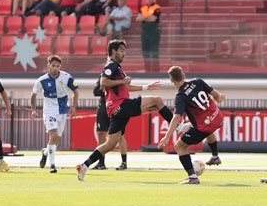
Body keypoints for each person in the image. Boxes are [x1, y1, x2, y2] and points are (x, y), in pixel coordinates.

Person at [75, 39, 175, 181]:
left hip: (115, 108)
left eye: (124, 50)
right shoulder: (111, 65)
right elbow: (104, 82)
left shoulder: (118, 68)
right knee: (157, 101)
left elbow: (126, 87)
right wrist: (123, 81)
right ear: (114, 51)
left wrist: (146, 87)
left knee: (110, 144)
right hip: (119, 104)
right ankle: (178, 125)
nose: (124, 53)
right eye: (121, 50)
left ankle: (84, 166)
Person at [158, 66, 225, 184]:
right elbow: (218, 96)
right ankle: (215, 156)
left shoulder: (181, 96)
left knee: (179, 146)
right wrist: (218, 100)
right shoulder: (198, 81)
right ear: (183, 75)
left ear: (171, 80)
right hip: (218, 117)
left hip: (205, 125)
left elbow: (176, 117)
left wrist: (167, 136)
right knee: (207, 128)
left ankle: (192, 177)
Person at [31, 55, 79, 173]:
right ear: (48, 65)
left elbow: (76, 92)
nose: (55, 68)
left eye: (57, 66)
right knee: (53, 136)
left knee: (56, 139)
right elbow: (33, 95)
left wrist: (73, 107)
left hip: (62, 109)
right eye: (53, 65)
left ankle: (45, 152)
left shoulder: (67, 77)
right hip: (49, 110)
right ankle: (52, 165)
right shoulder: (41, 80)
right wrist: (33, 109)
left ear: (60, 66)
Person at [92, 76, 129, 170]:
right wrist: (107, 89)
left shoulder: (120, 76)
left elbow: (125, 89)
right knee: (101, 134)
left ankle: (124, 162)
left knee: (120, 135)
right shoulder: (102, 77)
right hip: (103, 108)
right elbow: (95, 91)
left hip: (116, 107)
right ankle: (101, 162)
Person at [136, 0, 161, 72]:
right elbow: (138, 18)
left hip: (154, 32)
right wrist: (148, 17)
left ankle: (155, 69)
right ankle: (147, 69)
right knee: (145, 51)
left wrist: (144, 17)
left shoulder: (157, 7)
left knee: (154, 51)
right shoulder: (142, 8)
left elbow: (154, 19)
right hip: (145, 32)